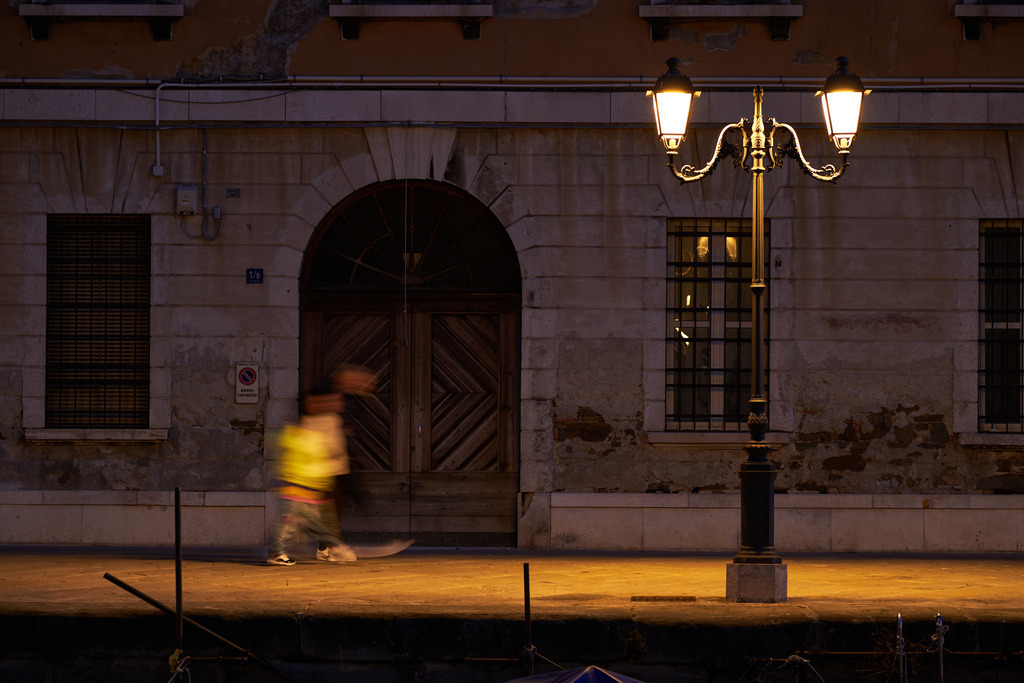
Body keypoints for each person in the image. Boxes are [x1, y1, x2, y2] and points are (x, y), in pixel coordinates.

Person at [268, 391, 356, 565]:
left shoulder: (309, 436)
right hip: (297, 489)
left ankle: (331, 548)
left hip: (308, 490)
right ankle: (278, 553)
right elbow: (303, 461)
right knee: (292, 523)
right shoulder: (303, 436)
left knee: (314, 523)